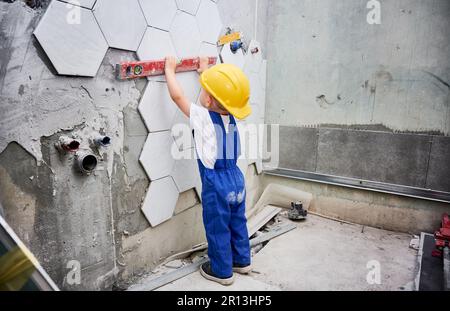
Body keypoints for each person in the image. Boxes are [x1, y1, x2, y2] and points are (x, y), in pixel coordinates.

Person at [164, 56, 252, 285]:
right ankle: (242, 260)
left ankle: (222, 271)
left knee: (217, 227)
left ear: (209, 99)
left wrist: (169, 70)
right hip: (236, 179)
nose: (201, 91)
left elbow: (177, 97)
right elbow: (219, 96)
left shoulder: (202, 116)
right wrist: (204, 71)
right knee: (237, 221)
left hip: (217, 185)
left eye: (204, 89)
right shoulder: (232, 115)